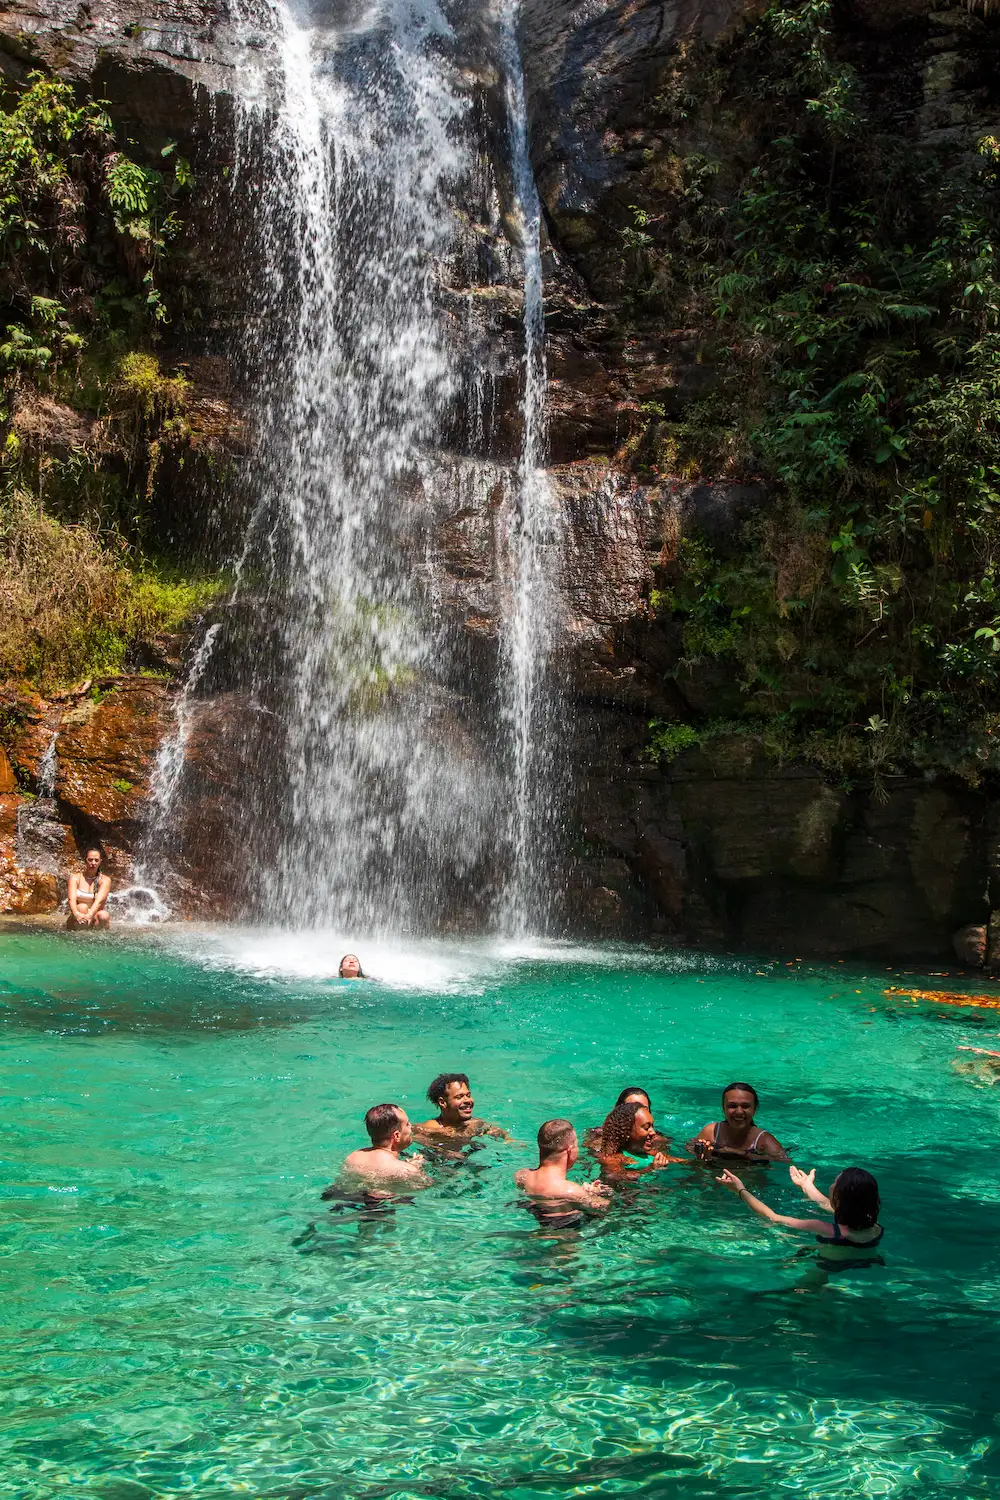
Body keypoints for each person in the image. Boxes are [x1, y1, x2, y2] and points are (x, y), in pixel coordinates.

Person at [718, 1164, 883, 1263]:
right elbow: (829, 1204)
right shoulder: (874, 1226)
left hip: (826, 1264)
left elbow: (773, 1217)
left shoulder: (825, 1228)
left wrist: (740, 1190)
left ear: (839, 1196)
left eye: (835, 1182)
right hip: (866, 1261)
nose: (832, 1185)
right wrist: (806, 1185)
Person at [515, 1119, 611, 1226]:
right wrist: (593, 1193)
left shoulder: (521, 1176)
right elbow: (606, 1209)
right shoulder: (571, 1191)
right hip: (566, 1237)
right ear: (570, 1150)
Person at [335, 1104, 427, 1192]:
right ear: (397, 1136)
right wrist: (416, 1167)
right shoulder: (406, 1170)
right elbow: (427, 1186)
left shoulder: (353, 1157)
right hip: (379, 1206)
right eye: (407, 1124)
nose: (411, 1126)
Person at [690, 1082, 788, 1161]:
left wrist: (742, 1154)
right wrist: (700, 1150)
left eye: (745, 1106)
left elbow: (783, 1162)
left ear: (754, 1109)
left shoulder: (763, 1140)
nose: (739, 1112)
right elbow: (690, 1148)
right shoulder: (711, 1132)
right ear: (723, 1108)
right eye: (732, 1106)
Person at [413, 1072, 511, 1144]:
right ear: (442, 1102)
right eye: (459, 1097)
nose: (468, 1100)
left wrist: (509, 1140)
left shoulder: (474, 1124)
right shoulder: (431, 1128)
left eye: (468, 1095)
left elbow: (499, 1132)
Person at [595, 1101, 683, 1177]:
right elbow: (616, 1177)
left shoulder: (651, 1153)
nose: (653, 1132)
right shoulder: (613, 1159)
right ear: (627, 1132)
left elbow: (682, 1162)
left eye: (652, 1126)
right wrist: (651, 1168)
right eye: (646, 1127)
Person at [584, 1086, 670, 1153]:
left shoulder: (658, 1141)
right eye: (631, 1108)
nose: (637, 1110)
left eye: (644, 1108)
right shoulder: (598, 1141)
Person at [67, 847, 111, 930]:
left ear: (100, 862)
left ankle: (98, 939)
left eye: (96, 860)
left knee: (104, 915)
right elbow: (71, 899)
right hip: (77, 916)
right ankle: (80, 936)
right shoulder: (75, 878)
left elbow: (99, 901)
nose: (93, 863)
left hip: (94, 918)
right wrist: (76, 913)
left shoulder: (105, 880)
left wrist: (89, 915)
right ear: (85, 860)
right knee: (82, 907)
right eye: (90, 860)